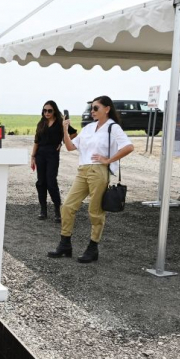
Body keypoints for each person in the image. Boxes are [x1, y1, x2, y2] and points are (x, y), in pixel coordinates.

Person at [48, 95, 134, 263]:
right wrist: (65, 130)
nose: (92, 111)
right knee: (67, 206)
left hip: (99, 171)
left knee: (95, 211)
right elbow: (71, 146)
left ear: (107, 109)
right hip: (83, 170)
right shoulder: (88, 128)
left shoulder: (113, 128)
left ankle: (93, 248)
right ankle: (65, 245)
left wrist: (108, 160)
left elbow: (129, 147)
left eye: (96, 108)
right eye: (91, 108)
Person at [30, 100, 77, 222]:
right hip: (40, 155)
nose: (47, 113)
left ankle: (57, 210)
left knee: (51, 182)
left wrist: (62, 142)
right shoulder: (41, 123)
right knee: (41, 182)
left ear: (54, 110)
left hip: (52, 155)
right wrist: (33, 157)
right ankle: (43, 210)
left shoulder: (60, 122)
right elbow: (36, 141)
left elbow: (74, 134)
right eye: (45, 110)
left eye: (49, 110)